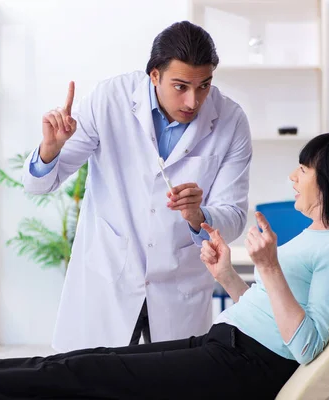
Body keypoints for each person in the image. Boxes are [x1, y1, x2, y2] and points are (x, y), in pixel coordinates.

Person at [0, 132, 329, 400]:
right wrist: (229, 275)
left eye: (304, 168)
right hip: (226, 345)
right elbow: (275, 312)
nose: (294, 177)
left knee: (84, 373)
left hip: (245, 369)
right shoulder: (321, 236)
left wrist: (269, 268)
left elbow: (309, 345)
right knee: (84, 363)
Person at [22, 20, 252, 351]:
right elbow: (38, 185)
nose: (193, 101)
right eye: (180, 86)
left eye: (204, 85)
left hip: (179, 287)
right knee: (93, 383)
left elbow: (233, 217)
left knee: (172, 384)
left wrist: (199, 216)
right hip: (109, 279)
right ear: (154, 75)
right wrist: (51, 149)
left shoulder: (231, 120)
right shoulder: (109, 100)